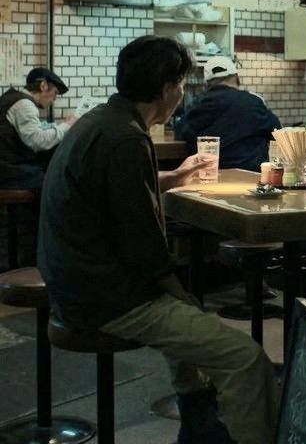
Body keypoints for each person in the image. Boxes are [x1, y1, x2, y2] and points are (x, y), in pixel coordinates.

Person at [38, 36, 279, 444]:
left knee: (188, 317)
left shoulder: (105, 122)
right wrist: (178, 292)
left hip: (75, 283)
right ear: (168, 89)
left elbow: (122, 190)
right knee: (246, 359)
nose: (183, 93)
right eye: (181, 84)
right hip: (103, 297)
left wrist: (176, 175)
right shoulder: (125, 139)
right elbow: (144, 248)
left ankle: (198, 424)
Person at [175, 55, 281, 172]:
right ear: (237, 77)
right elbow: (277, 132)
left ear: (207, 84)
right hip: (252, 178)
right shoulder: (253, 102)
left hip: (210, 177)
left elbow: (181, 132)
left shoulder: (197, 104)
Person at [0, 67, 73, 191]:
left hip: (8, 165)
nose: (54, 99)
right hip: (8, 171)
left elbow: (33, 129)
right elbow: (37, 141)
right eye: (55, 93)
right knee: (55, 182)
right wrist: (68, 126)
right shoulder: (24, 104)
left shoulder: (15, 98)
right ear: (43, 86)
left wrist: (59, 126)